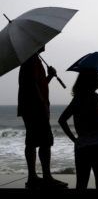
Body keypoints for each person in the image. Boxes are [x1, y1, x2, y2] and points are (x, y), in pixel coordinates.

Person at [18, 46, 68, 189]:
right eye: (41, 41)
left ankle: (34, 177)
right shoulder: (31, 59)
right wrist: (42, 105)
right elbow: (33, 85)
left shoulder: (33, 59)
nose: (45, 43)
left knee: (33, 140)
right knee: (45, 141)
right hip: (35, 108)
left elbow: (39, 84)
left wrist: (50, 76)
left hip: (31, 107)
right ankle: (44, 177)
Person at [58, 69, 98, 190]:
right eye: (97, 77)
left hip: (82, 147)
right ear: (90, 80)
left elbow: (62, 120)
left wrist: (75, 140)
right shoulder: (95, 98)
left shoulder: (77, 98)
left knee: (81, 185)